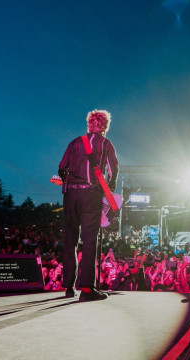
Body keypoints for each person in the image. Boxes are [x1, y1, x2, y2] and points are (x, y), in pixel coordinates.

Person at [59, 109, 119, 303]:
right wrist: (108, 186)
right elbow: (114, 169)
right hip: (90, 193)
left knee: (70, 239)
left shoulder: (75, 142)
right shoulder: (106, 144)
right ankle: (87, 289)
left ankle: (68, 287)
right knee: (90, 240)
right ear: (105, 127)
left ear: (89, 124)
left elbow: (61, 169)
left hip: (71, 195)